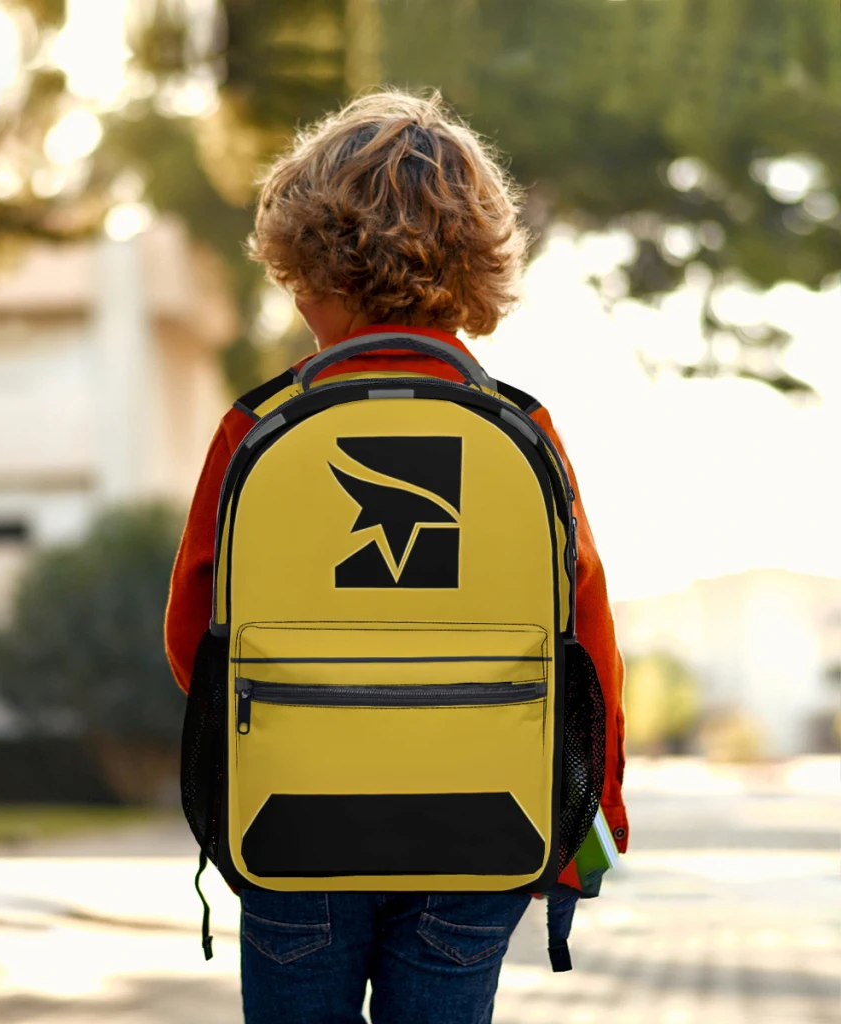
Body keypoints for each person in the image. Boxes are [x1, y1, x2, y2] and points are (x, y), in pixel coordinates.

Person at [165, 88, 627, 1024]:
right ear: (476, 267)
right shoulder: (524, 430)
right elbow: (588, 641)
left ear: (309, 268)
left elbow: (191, 640)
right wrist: (589, 817)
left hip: (294, 824)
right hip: (481, 827)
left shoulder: (258, 427)